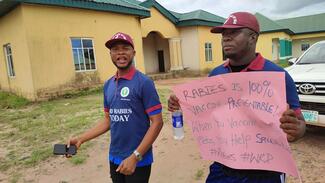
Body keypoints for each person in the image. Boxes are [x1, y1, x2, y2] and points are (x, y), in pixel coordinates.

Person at [168, 12, 306, 183]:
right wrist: (182, 103)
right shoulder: (216, 74)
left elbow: (300, 123)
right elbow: (207, 114)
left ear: (252, 37)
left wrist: (296, 129)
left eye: (234, 33)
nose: (226, 38)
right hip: (223, 168)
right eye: (224, 34)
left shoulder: (277, 76)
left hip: (265, 173)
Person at [68, 32, 164, 183]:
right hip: (114, 156)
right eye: (115, 49)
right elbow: (108, 120)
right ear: (110, 54)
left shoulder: (144, 83)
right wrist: (81, 139)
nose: (120, 52)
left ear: (133, 52)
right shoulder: (108, 85)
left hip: (138, 160)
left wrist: (135, 156)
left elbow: (157, 122)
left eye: (125, 48)